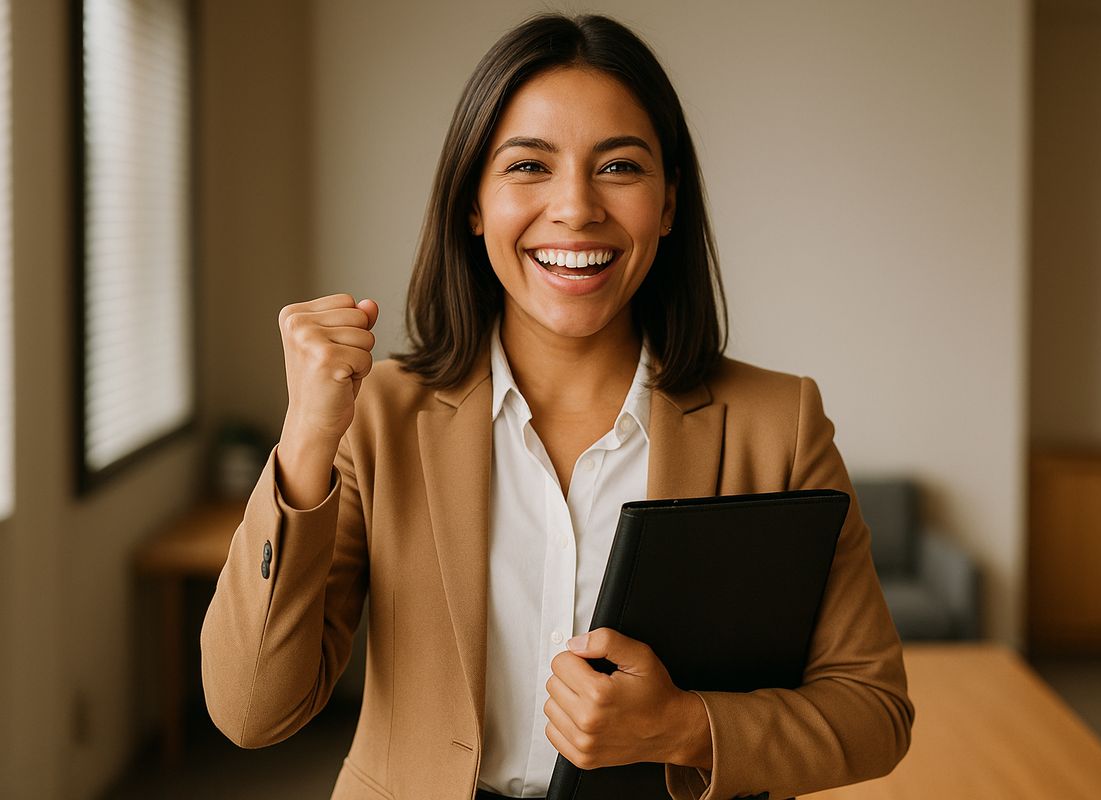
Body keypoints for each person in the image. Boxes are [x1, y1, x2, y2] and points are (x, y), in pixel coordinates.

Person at [200, 12, 914, 800]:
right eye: (529, 166)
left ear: (669, 204)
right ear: (473, 204)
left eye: (619, 167)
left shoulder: (779, 424)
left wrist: (685, 726)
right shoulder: (378, 417)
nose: (575, 208)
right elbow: (250, 711)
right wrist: (305, 436)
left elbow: (874, 710)